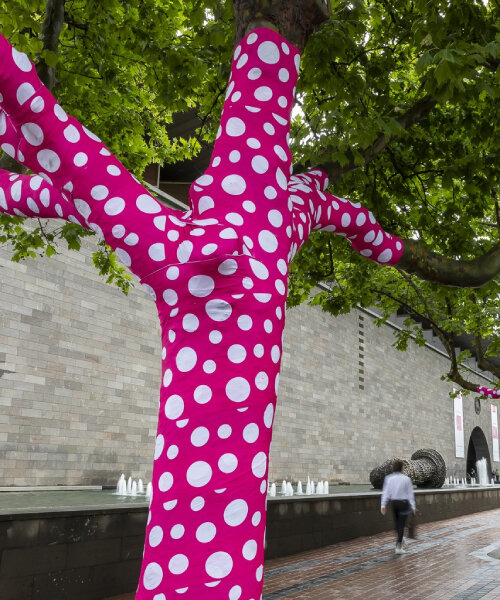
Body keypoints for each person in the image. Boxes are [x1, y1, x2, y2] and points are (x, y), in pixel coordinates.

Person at [380, 459, 416, 554]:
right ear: (401, 468)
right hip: (403, 504)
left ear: (393, 468)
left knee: (397, 525)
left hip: (394, 503)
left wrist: (383, 505)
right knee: (401, 525)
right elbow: (410, 494)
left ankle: (400, 539)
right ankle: (399, 546)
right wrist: (413, 506)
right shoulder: (406, 479)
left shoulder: (388, 478)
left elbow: (386, 493)